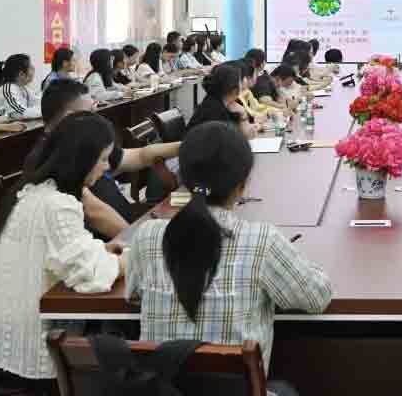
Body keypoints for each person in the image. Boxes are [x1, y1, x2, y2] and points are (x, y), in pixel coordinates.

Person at [126, 122, 332, 375]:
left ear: (184, 179)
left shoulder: (147, 236)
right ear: (242, 185)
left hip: (160, 388)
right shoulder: (262, 241)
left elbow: (133, 295)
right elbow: (316, 298)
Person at [0, 113, 125, 385]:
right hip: (38, 355)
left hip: (13, 342)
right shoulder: (56, 205)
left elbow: (63, 255)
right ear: (81, 159)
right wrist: (130, 259)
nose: (106, 167)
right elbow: (90, 275)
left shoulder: (33, 191)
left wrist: (103, 250)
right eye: (103, 159)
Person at [27, 80, 180, 239]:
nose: (96, 117)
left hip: (130, 224)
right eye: (90, 112)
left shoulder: (85, 143)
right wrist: (138, 243)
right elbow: (95, 213)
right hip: (111, 241)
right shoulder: (46, 158)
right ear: (70, 118)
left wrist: (184, 147)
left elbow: (140, 155)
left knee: (185, 211)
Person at [190, 63, 257, 139]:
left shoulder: (220, 102)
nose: (244, 83)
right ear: (234, 89)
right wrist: (243, 115)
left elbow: (245, 135)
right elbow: (236, 139)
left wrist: (243, 114)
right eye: (240, 81)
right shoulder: (215, 110)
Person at [0, 54, 41, 118]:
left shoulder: (23, 88)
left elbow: (39, 103)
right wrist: (44, 111)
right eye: (31, 67)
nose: (34, 69)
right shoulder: (8, 89)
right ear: (21, 74)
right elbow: (18, 114)